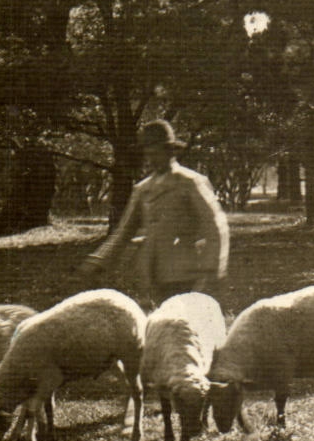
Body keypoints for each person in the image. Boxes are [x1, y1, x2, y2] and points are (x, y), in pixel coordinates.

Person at [79, 120, 229, 304]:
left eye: (156, 153)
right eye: (147, 153)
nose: (151, 159)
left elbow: (216, 225)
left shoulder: (189, 182)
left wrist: (212, 268)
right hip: (153, 273)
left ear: (170, 151)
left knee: (185, 325)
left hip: (188, 273)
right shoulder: (143, 189)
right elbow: (122, 232)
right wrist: (96, 261)